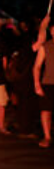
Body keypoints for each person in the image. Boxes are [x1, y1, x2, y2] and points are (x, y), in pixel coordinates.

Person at [33, 18, 54, 148]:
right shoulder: (45, 46)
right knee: (46, 111)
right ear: (51, 32)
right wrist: (37, 84)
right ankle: (47, 136)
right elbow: (37, 67)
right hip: (48, 83)